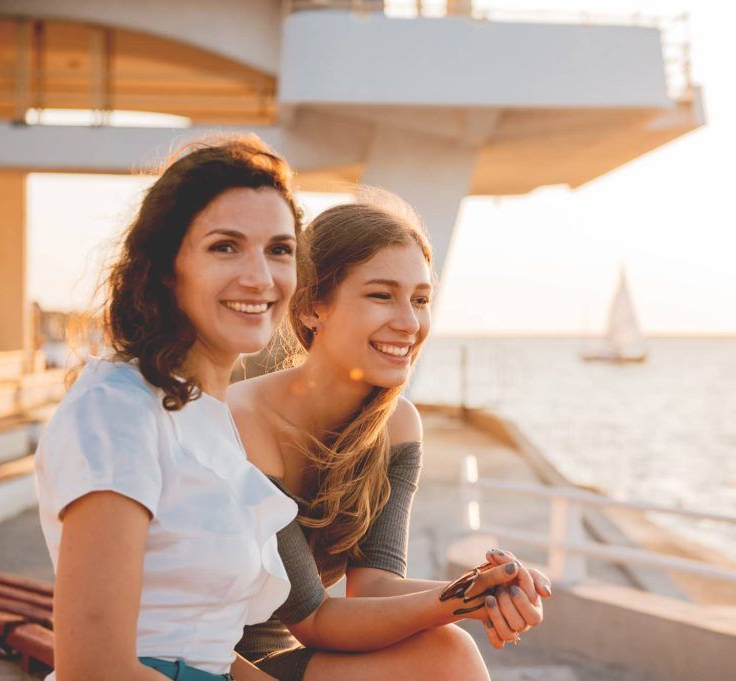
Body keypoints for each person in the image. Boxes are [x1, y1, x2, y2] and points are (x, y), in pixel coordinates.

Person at [230, 191, 551, 681]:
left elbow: (374, 587)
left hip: (286, 659)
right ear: (313, 305)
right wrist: (456, 603)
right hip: (202, 661)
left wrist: (479, 589)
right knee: (447, 652)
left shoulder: (395, 423)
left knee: (445, 648)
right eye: (382, 295)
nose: (409, 322)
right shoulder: (245, 418)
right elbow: (314, 619)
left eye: (421, 300)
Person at [35, 135, 304, 681]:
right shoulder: (116, 410)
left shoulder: (199, 413)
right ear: (164, 268)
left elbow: (200, 642)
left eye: (279, 249)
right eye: (225, 246)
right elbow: (95, 669)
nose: (260, 276)